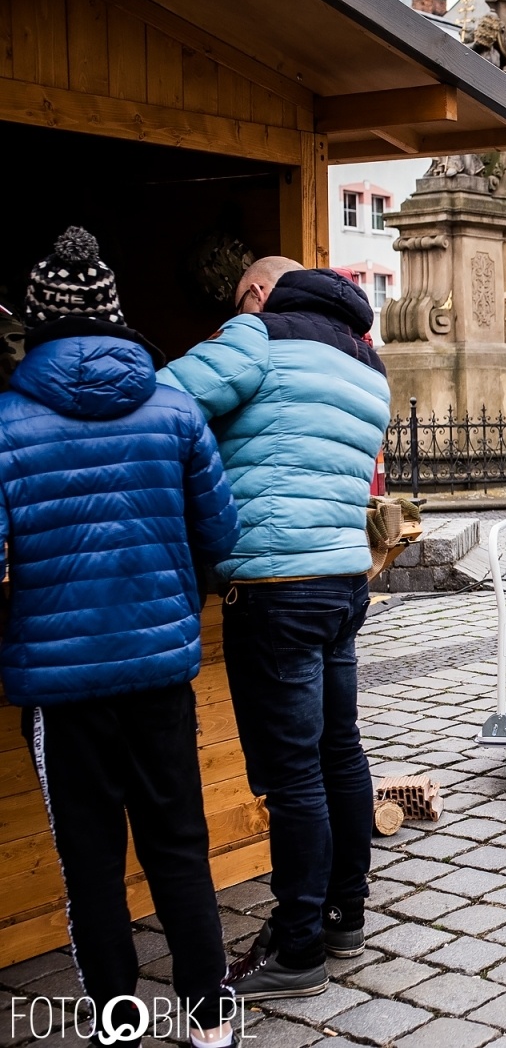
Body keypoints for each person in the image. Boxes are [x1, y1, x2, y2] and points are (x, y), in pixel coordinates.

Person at [0, 228, 241, 1048]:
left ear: (33, 325)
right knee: (179, 846)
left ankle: (117, 1023)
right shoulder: (174, 410)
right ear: (116, 317)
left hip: (58, 691)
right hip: (158, 673)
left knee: (90, 865)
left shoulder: (3, 420)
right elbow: (222, 534)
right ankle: (211, 1017)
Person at [159, 259, 390, 1002]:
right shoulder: (366, 362)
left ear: (257, 293)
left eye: (234, 303)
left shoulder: (255, 336)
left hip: (273, 584)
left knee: (292, 775)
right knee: (340, 751)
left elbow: (162, 398)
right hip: (342, 581)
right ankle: (343, 913)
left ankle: (298, 949)